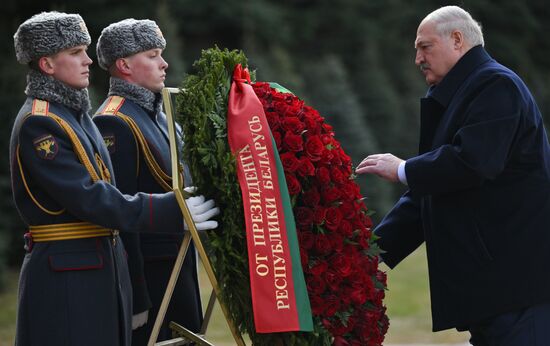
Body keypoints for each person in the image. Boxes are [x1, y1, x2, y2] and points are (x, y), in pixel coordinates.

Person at [10, 12, 218, 346]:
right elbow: (90, 197)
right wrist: (170, 210)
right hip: (67, 271)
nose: (88, 60)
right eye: (76, 52)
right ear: (48, 64)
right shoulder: (41, 123)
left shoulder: (73, 115)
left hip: (98, 266)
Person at [355, 5, 550, 346]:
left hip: (518, 288)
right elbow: (429, 194)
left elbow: (472, 163)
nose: (417, 59)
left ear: (457, 40)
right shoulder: (462, 94)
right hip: (492, 290)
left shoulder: (496, 85)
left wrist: (402, 168)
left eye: (424, 46)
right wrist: (367, 254)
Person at [93, 19, 213, 344]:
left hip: (178, 262)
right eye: (153, 55)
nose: (164, 63)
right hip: (151, 275)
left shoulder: (158, 115)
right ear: (124, 65)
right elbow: (120, 215)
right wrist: (136, 297)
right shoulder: (113, 121)